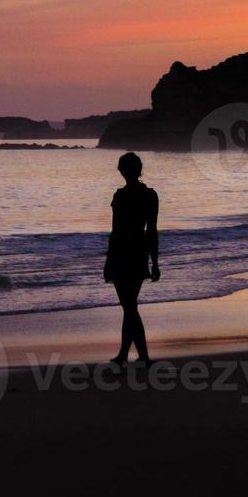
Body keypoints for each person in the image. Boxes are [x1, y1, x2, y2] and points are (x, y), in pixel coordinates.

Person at [104, 152, 160, 367]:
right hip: (138, 250)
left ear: (122, 171)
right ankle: (127, 354)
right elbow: (152, 231)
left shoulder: (120, 196)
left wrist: (108, 261)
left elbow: (115, 231)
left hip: (121, 251)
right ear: (139, 170)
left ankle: (136, 355)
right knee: (130, 305)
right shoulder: (150, 195)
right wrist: (154, 261)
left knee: (128, 305)